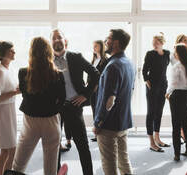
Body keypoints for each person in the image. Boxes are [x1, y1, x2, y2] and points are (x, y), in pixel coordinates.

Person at [10, 36, 66, 175]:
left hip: (31, 121)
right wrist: (53, 110)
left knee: (18, 165)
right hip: (51, 121)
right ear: (49, 52)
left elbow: (25, 95)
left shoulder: (23, 73)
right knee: (51, 168)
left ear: (31, 52)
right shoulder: (58, 74)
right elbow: (62, 99)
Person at [51, 29, 98, 175]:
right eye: (54, 38)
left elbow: (95, 74)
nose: (57, 40)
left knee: (82, 146)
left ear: (65, 41)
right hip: (55, 109)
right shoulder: (47, 60)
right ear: (51, 43)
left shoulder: (75, 57)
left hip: (74, 105)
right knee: (53, 146)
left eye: (60, 37)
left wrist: (85, 94)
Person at [93, 29, 134, 175]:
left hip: (109, 125)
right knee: (123, 161)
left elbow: (110, 100)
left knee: (109, 165)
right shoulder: (129, 63)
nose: (105, 41)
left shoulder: (112, 66)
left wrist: (98, 122)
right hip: (123, 122)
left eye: (108, 38)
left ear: (116, 43)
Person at [0, 41, 20, 175]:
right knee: (10, 149)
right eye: (11, 51)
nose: (14, 52)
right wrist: (15, 92)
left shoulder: (10, 69)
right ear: (3, 54)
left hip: (10, 111)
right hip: (2, 113)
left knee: (7, 150)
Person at [165, 44, 187, 161]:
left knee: (176, 125)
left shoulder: (177, 66)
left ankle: (177, 154)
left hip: (177, 96)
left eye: (175, 51)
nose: (174, 53)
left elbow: (173, 84)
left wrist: (167, 93)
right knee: (185, 122)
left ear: (179, 53)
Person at [142, 32, 171, 152]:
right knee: (151, 112)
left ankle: (157, 138)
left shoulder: (167, 53)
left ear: (162, 43)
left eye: (157, 42)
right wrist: (148, 82)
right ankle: (151, 142)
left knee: (159, 112)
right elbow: (144, 71)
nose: (154, 44)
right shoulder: (150, 54)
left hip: (163, 85)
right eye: (153, 43)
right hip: (152, 86)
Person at [89, 40, 109, 142]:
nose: (94, 48)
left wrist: (97, 85)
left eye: (96, 46)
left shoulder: (105, 60)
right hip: (92, 89)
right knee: (94, 110)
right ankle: (96, 133)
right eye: (93, 46)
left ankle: (101, 133)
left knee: (99, 110)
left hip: (100, 89)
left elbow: (103, 76)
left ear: (101, 47)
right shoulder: (94, 59)